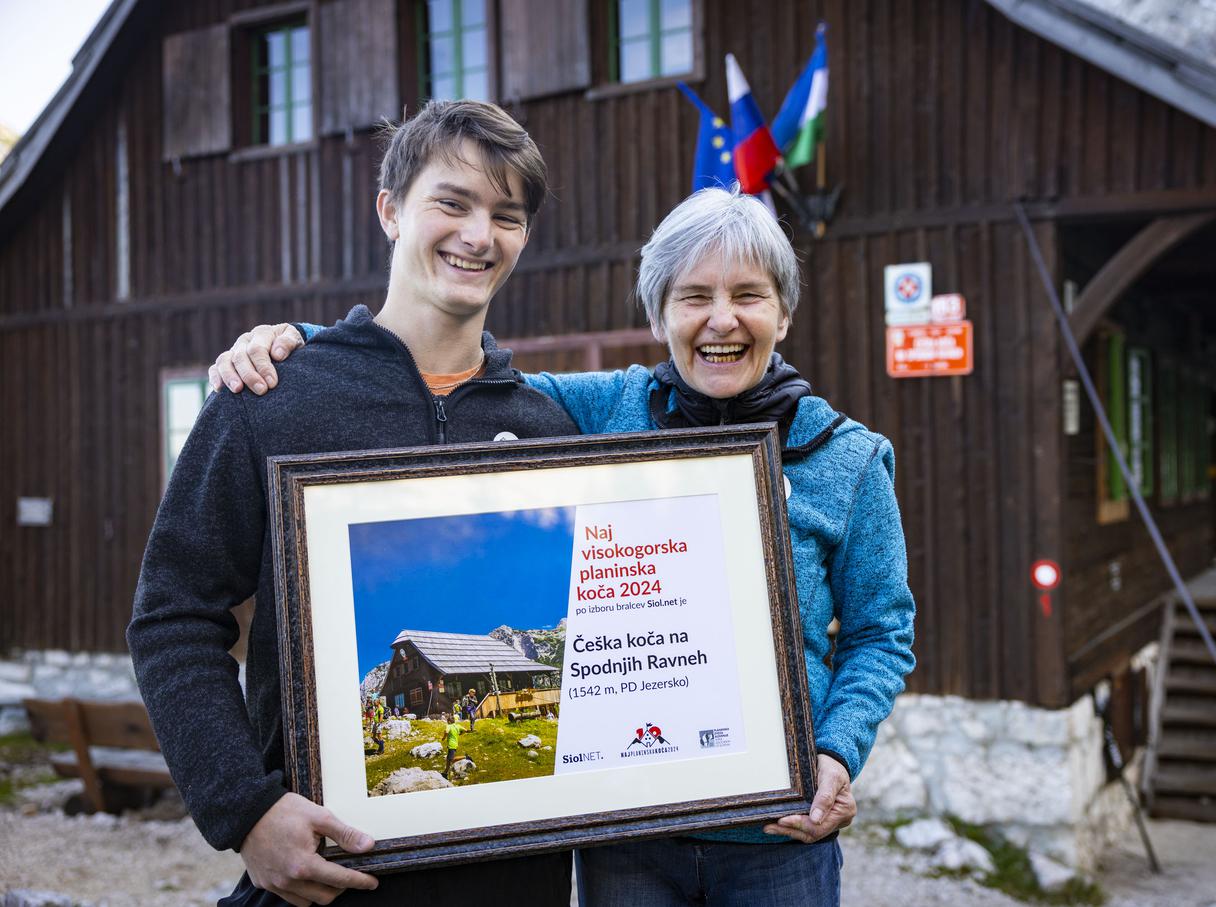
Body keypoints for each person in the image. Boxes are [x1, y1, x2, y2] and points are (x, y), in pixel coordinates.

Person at [211, 185, 916, 906]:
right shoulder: (608, 408)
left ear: (784, 310)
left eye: (749, 295)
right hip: (631, 843)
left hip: (780, 837)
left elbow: (881, 632)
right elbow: (451, 378)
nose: (722, 319)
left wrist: (836, 748)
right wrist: (302, 344)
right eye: (694, 296)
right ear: (658, 313)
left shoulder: (846, 459)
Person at [127, 99, 578, 907]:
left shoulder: (545, 423)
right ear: (390, 210)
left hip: (517, 881)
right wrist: (247, 808)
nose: (480, 234)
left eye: (506, 216)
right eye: (453, 202)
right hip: (328, 883)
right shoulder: (270, 395)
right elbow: (172, 613)